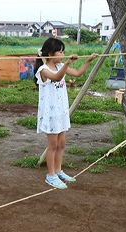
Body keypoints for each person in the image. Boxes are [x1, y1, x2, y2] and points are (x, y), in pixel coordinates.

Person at [33, 37, 98, 189]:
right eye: (60, 52)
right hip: (51, 114)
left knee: (61, 144)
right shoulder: (43, 70)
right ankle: (50, 175)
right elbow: (57, 77)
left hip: (61, 111)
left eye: (63, 52)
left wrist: (88, 60)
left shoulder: (60, 65)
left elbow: (77, 73)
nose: (62, 55)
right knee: (53, 145)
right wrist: (68, 62)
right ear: (50, 53)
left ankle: (58, 170)